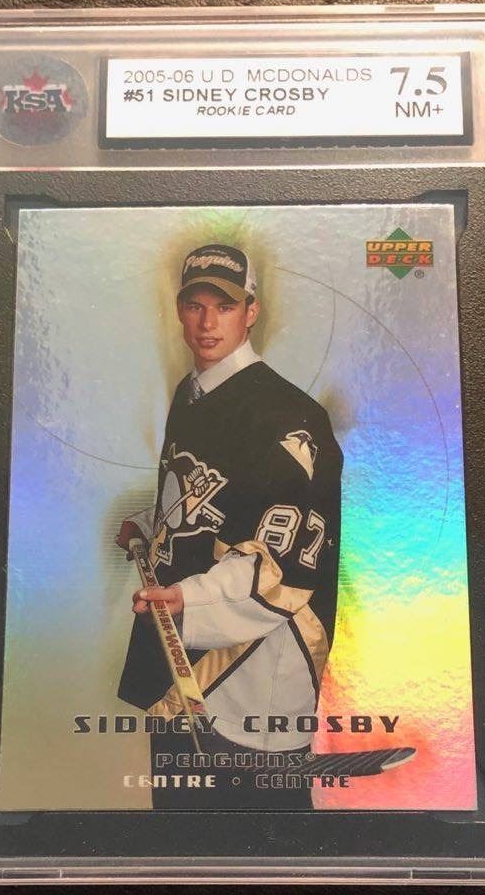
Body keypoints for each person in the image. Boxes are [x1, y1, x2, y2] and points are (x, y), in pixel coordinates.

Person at [116, 243, 343, 808]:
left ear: (251, 311)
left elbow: (283, 567)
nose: (208, 322)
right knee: (179, 833)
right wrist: (149, 525)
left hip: (251, 676)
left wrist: (185, 599)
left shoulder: (291, 417)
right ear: (179, 310)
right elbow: (208, 501)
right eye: (196, 305)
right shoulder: (191, 394)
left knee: (257, 838)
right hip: (180, 657)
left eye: (225, 305)